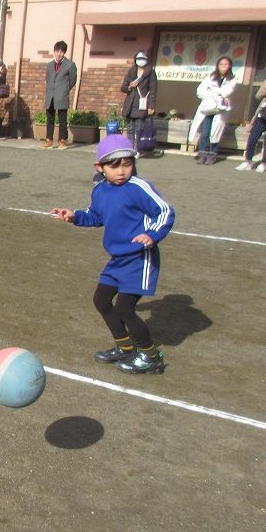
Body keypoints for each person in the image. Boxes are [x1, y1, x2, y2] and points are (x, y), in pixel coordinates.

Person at [50, 134, 175, 375]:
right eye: (114, 166)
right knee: (101, 301)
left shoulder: (138, 188)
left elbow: (164, 211)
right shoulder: (100, 191)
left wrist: (152, 234)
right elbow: (95, 216)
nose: (121, 171)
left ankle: (151, 357)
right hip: (118, 259)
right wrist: (74, 216)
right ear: (100, 167)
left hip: (139, 258)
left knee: (125, 309)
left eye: (127, 164)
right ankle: (125, 347)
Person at [188, 57, 236, 165]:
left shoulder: (232, 79)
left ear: (229, 66)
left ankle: (212, 155)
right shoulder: (211, 77)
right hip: (208, 108)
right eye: (221, 64)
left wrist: (214, 91)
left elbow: (226, 92)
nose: (223, 66)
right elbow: (200, 90)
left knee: (215, 133)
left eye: (226, 64)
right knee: (205, 133)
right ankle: (202, 154)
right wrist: (211, 95)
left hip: (221, 109)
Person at [41, 40, 77, 149]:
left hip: (62, 95)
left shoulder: (70, 65)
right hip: (50, 96)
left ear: (64, 52)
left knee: (62, 119)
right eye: (57, 51)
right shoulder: (49, 65)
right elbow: (48, 79)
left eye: (61, 51)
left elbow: (73, 80)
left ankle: (62, 140)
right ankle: (49, 140)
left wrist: (65, 89)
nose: (59, 54)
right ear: (54, 51)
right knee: (50, 118)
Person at [119, 51, 158, 148]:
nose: (141, 61)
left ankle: (137, 149)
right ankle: (130, 148)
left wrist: (151, 106)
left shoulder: (150, 72)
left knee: (139, 129)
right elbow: (123, 88)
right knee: (130, 129)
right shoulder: (131, 72)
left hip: (142, 104)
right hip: (130, 104)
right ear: (135, 60)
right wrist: (129, 87)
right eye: (139, 59)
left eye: (143, 59)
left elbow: (153, 90)